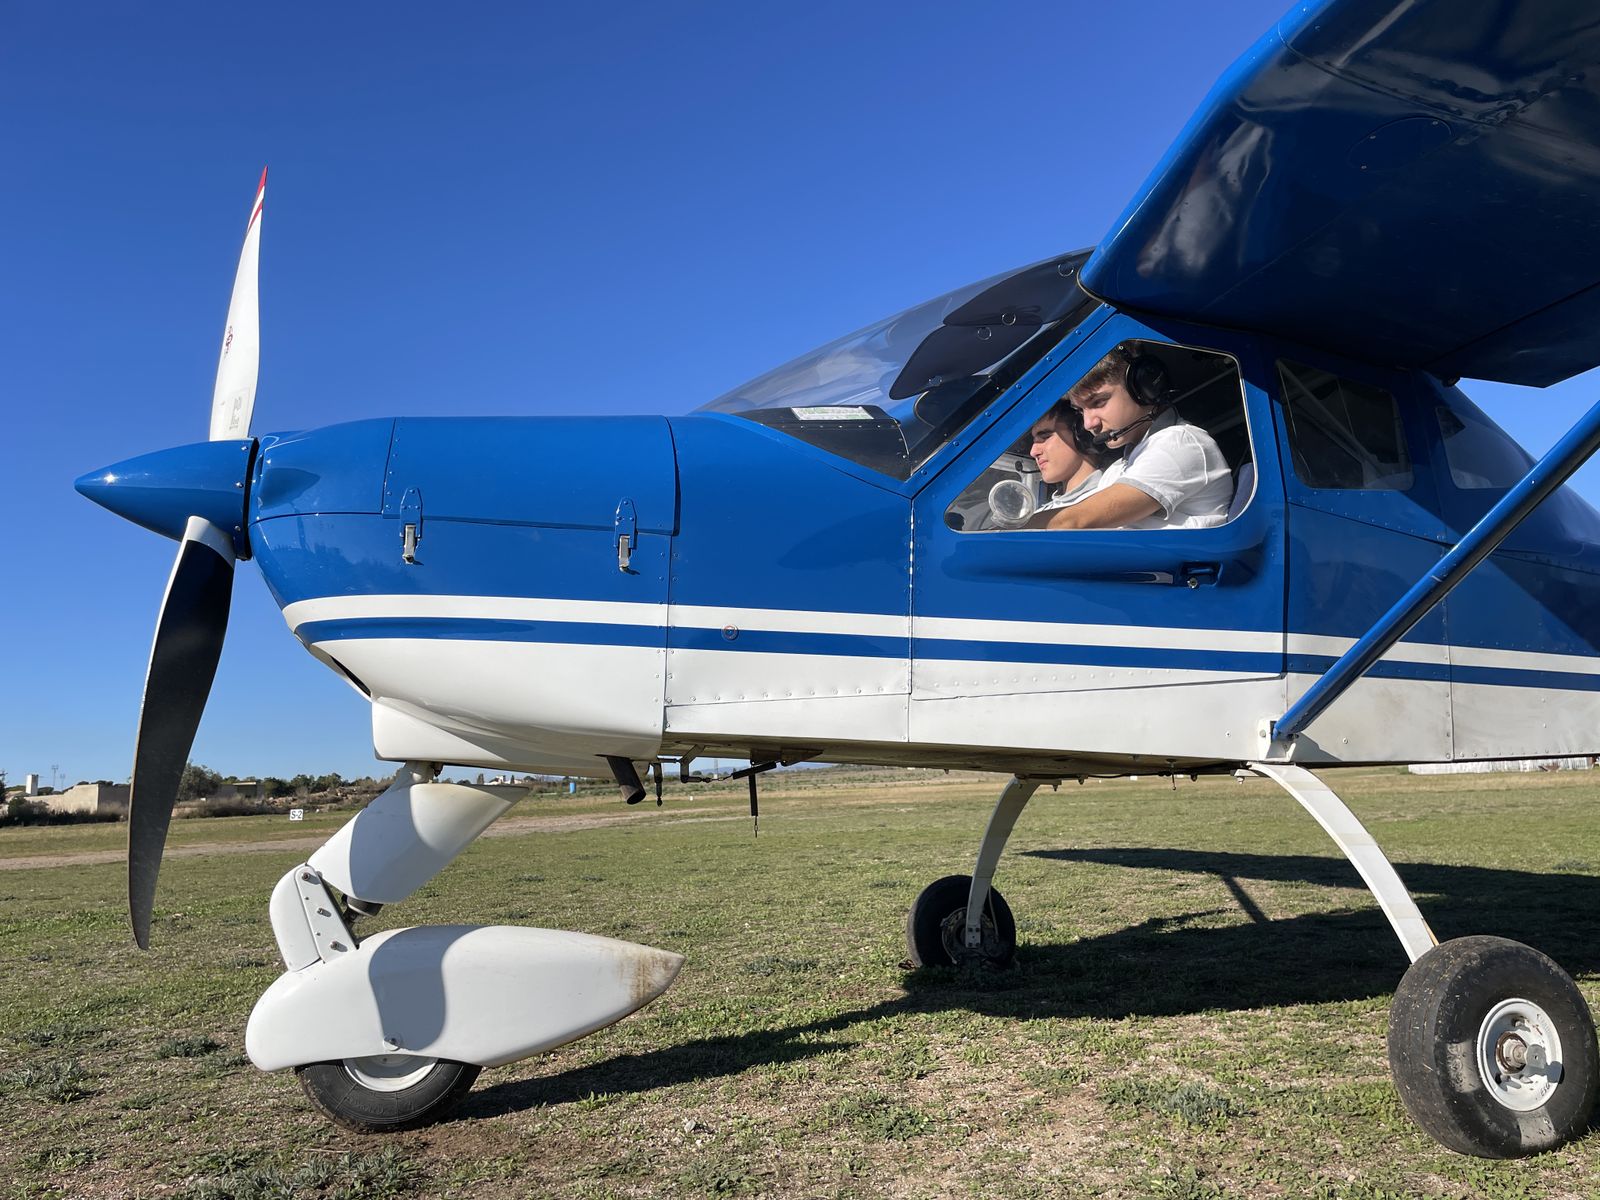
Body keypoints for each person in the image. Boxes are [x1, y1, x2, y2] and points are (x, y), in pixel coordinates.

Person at [1036, 346, 1233, 531]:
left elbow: (1073, 521)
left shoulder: (1180, 443)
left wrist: (1016, 528)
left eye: (1098, 402)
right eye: (1081, 411)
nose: (1088, 424)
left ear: (1143, 388)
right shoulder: (1119, 468)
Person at [1030, 399, 1109, 513]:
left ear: (1082, 435)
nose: (1033, 452)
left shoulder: (1119, 499)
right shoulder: (1042, 514)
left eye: (1045, 437)